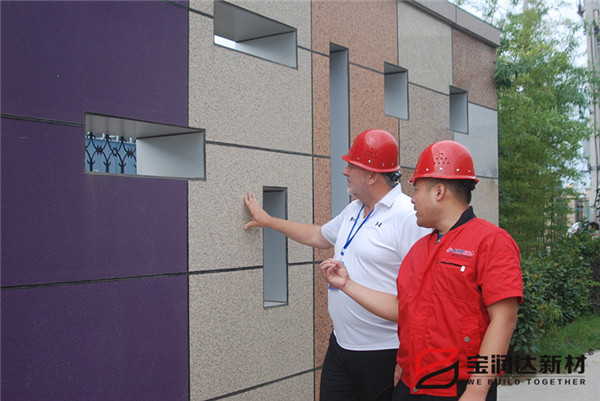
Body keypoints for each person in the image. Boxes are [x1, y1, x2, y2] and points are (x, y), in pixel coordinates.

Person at [320, 140, 523, 401]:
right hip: (410, 384)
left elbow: (504, 320)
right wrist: (347, 284)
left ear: (439, 192)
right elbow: (403, 309)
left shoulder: (491, 241)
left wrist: (477, 388)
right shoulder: (419, 249)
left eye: (416, 189)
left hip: (458, 388)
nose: (412, 199)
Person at [243, 129, 430, 401]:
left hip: (383, 352)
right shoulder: (355, 209)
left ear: (372, 176)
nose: (345, 171)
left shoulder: (407, 216)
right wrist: (269, 221)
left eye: (351, 166)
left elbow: (423, 296)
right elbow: (319, 236)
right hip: (341, 346)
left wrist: (408, 357)